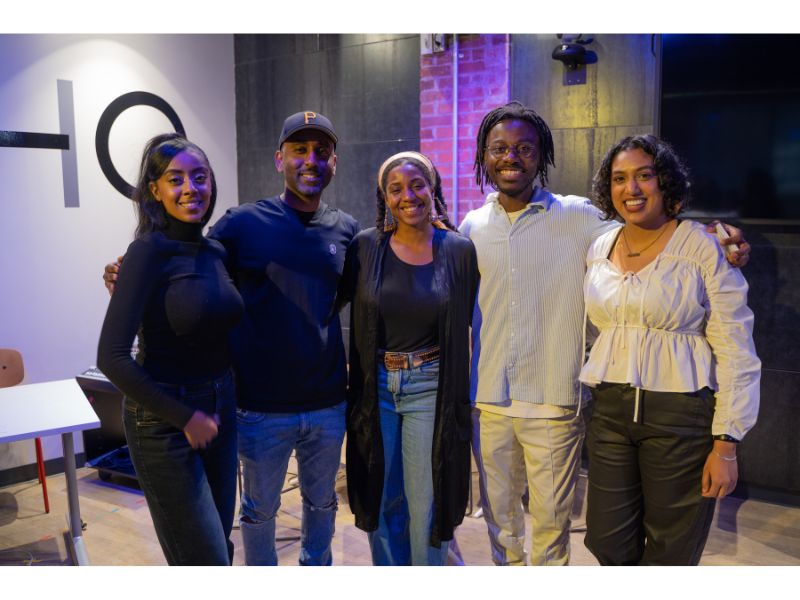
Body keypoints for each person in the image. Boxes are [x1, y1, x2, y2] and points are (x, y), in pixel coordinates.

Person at [458, 101, 751, 566]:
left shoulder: (581, 219)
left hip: (556, 399)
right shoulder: (470, 226)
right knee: (502, 523)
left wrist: (717, 239)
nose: (510, 156)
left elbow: (651, 227)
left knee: (554, 527)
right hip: (489, 399)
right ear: (483, 155)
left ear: (542, 155)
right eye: (499, 148)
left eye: (524, 148)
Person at [105, 111, 360, 566]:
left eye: (321, 151)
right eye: (299, 150)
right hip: (255, 406)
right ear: (279, 159)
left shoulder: (345, 230)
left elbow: (338, 298)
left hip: (313, 402)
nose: (310, 160)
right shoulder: (240, 225)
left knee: (315, 508)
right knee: (250, 519)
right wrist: (124, 276)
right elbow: (173, 266)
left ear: (335, 162)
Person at [578, 134, 760, 565]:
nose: (632, 189)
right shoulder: (599, 247)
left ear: (666, 183)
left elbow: (736, 348)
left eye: (645, 176)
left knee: (670, 550)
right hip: (609, 413)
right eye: (619, 178)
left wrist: (726, 444)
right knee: (607, 543)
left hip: (681, 412)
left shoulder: (703, 246)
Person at [97, 134, 244, 565]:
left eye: (199, 177)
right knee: (203, 560)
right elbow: (112, 357)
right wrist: (184, 418)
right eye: (175, 179)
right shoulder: (146, 252)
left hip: (219, 406)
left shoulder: (216, 250)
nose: (189, 188)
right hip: (165, 419)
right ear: (154, 191)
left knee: (220, 545)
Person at [338, 151, 478, 565]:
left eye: (417, 185)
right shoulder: (364, 247)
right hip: (376, 386)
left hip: (430, 387)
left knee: (426, 505)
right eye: (395, 189)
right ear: (384, 197)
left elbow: (470, 319)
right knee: (382, 497)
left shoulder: (458, 250)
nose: (408, 196)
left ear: (432, 187)